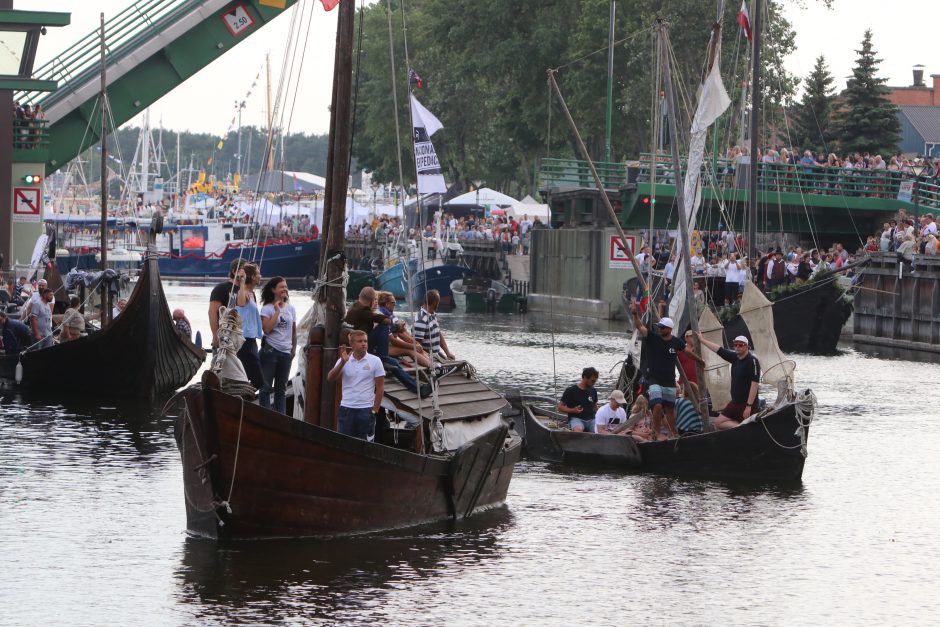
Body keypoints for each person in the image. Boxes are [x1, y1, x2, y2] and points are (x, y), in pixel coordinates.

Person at [628, 304, 685, 440]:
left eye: (662, 327)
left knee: (670, 409)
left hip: (670, 380)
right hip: (654, 379)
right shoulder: (653, 337)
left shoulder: (676, 342)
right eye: (659, 327)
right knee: (658, 404)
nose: (660, 329)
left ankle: (674, 434)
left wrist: (699, 360)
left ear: (670, 329)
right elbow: (640, 327)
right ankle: (656, 432)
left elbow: (687, 351)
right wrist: (635, 314)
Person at [327, 329, 385, 441]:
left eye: (365, 341)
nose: (364, 344)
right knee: (343, 445)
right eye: (360, 341)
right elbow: (330, 378)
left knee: (366, 447)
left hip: (366, 410)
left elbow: (380, 387)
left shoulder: (375, 361)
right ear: (352, 344)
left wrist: (375, 411)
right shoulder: (344, 360)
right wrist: (343, 362)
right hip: (346, 409)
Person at [697, 333, 761, 430]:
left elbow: (755, 384)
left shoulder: (752, 361)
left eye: (740, 345)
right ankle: (741, 427)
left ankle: (744, 428)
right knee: (718, 423)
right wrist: (702, 340)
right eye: (735, 345)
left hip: (746, 403)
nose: (737, 347)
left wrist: (749, 406)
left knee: (746, 424)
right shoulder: (735, 357)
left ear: (747, 347)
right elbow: (719, 350)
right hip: (735, 402)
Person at [259, 276, 297, 414]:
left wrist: (293, 350)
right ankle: (265, 416)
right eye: (281, 287)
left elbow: (293, 331)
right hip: (270, 351)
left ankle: (281, 417)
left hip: (285, 353)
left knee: (281, 389)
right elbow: (267, 329)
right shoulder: (267, 308)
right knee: (266, 387)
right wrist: (277, 312)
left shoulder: (291, 309)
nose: (285, 289)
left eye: (286, 286)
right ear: (273, 290)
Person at [234, 263, 265, 390]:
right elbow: (241, 303)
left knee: (248, 376)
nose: (260, 276)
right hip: (244, 341)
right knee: (258, 381)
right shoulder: (244, 293)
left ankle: (242, 400)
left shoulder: (252, 294)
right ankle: (242, 399)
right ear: (252, 277)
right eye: (258, 273)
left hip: (251, 339)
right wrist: (241, 282)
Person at [208, 258, 249, 348]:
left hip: (240, 337)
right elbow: (212, 312)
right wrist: (215, 336)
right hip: (225, 336)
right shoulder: (221, 288)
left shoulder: (245, 291)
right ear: (235, 271)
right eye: (244, 270)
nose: (247, 273)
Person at [413, 289, 455, 363]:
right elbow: (417, 344)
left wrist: (447, 352)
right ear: (435, 302)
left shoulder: (432, 315)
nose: (439, 304)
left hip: (436, 354)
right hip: (427, 357)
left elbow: (438, 333)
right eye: (438, 302)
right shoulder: (421, 320)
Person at [557, 367, 599, 433]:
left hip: (591, 419)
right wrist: (573, 410)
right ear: (585, 377)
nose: (594, 383)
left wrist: (602, 415)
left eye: (595, 381)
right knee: (578, 431)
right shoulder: (571, 390)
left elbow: (594, 407)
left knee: (599, 431)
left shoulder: (593, 390)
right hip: (576, 419)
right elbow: (560, 408)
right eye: (592, 381)